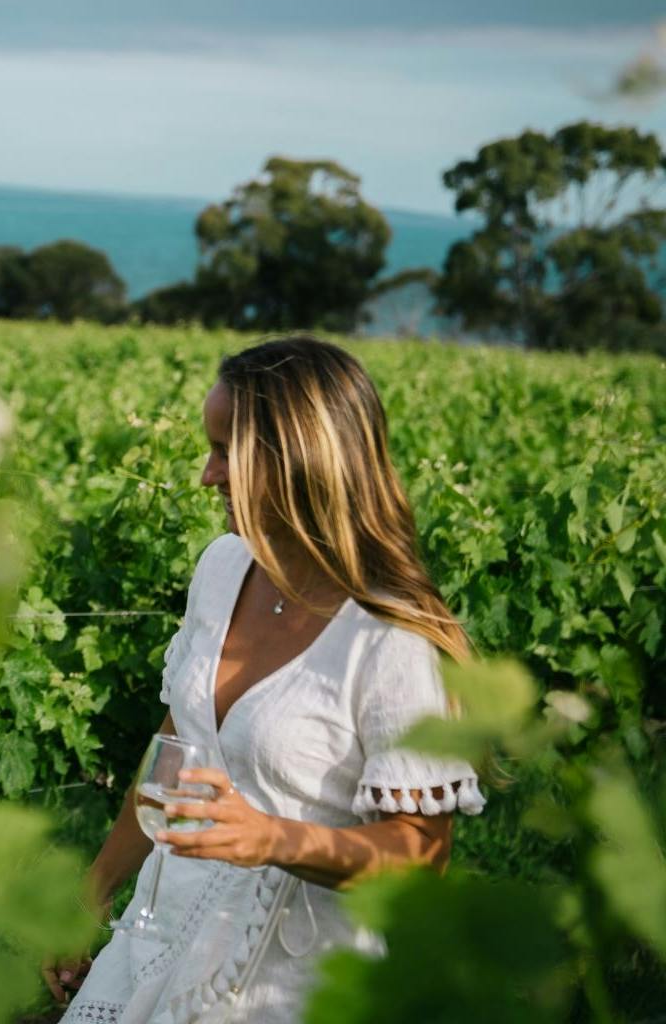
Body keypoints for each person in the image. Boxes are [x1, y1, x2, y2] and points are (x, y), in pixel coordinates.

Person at [46, 336, 484, 1024]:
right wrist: (96, 888)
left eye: (227, 452)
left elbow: (421, 857)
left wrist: (273, 838)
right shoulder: (221, 569)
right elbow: (177, 745)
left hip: (288, 983)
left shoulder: (389, 638)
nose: (206, 475)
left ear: (300, 461)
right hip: (154, 937)